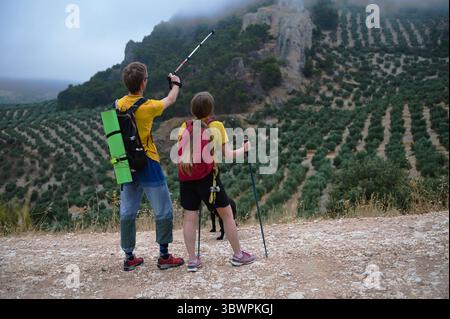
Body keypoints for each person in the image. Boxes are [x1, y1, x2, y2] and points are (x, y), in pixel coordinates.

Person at [177, 91, 256, 272]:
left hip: (186, 178)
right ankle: (238, 255)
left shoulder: (184, 126)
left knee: (189, 218)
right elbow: (228, 155)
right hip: (207, 178)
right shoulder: (217, 126)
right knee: (227, 214)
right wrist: (244, 149)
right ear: (211, 109)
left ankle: (192, 260)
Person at [116, 62, 184, 271]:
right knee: (163, 209)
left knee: (127, 211)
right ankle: (164, 257)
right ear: (143, 83)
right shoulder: (148, 107)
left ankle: (129, 257)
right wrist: (176, 83)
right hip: (147, 162)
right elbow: (171, 99)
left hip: (124, 163)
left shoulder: (117, 104)